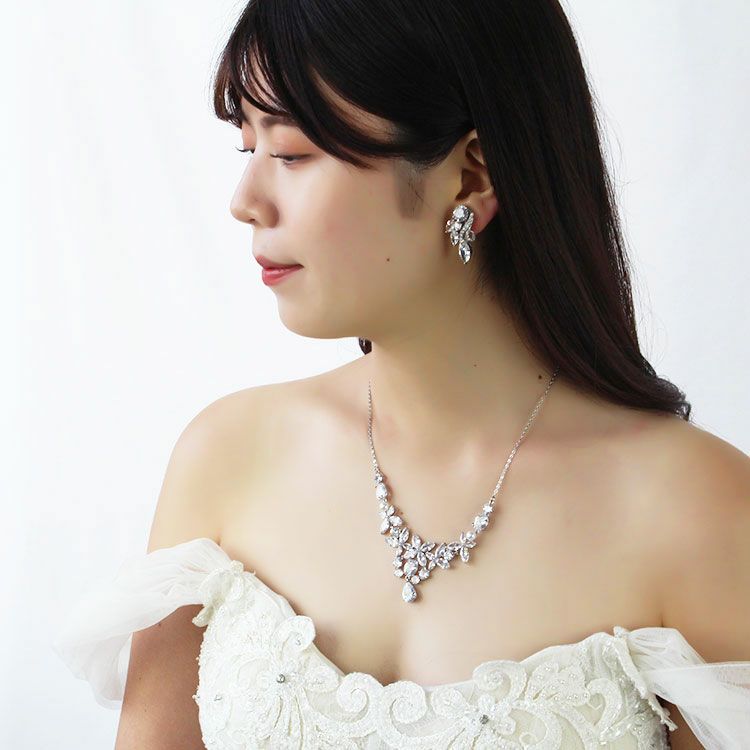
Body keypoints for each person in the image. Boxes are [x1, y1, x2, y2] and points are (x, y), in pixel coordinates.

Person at [52, 0, 750, 747]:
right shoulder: (227, 455)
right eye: (246, 147)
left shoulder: (695, 509)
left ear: (470, 174)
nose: (244, 202)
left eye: (290, 152)